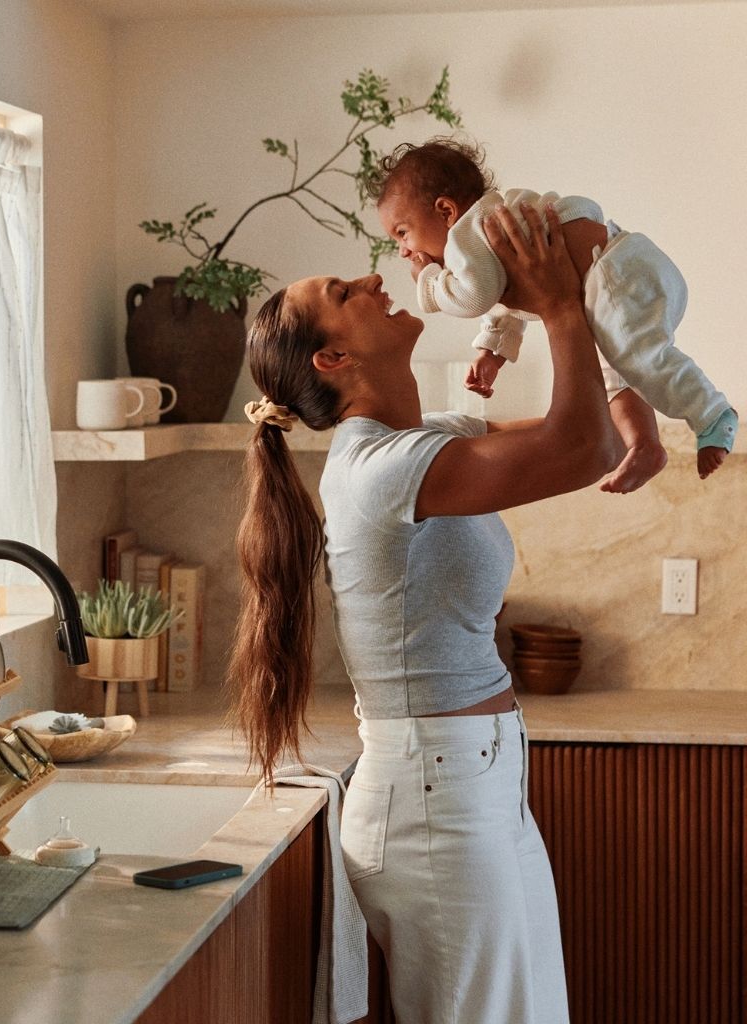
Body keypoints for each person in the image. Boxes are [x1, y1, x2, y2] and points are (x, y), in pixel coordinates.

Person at [228, 204, 623, 1024]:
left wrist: (586, 293)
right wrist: (556, 303)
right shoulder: (382, 470)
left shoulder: (425, 440)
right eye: (345, 291)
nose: (375, 276)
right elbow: (581, 447)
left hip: (477, 788)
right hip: (439, 803)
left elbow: (601, 438)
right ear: (333, 358)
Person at [371, 137, 737, 491]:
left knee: (641, 357)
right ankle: (644, 445)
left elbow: (474, 298)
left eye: (403, 233)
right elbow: (508, 298)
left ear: (446, 211)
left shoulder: (466, 234)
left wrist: (430, 282)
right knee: (616, 365)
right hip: (621, 270)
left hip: (614, 275)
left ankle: (712, 414)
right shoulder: (489, 227)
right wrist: (492, 352)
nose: (403, 250)